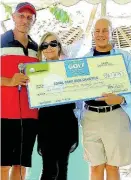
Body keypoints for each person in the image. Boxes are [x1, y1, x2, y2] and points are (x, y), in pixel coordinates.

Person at [76, 17, 131, 180]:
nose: (101, 34)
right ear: (93, 34)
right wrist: (79, 115)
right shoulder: (83, 59)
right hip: (90, 117)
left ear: (111, 33)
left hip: (116, 115)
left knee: (112, 167)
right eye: (97, 31)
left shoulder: (125, 57)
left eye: (105, 30)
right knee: (95, 167)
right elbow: (77, 90)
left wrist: (121, 99)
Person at [0, 2, 38, 180]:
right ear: (13, 17)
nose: (25, 20)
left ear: (33, 22)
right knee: (2, 167)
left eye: (29, 17)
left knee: (21, 168)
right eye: (21, 16)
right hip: (4, 114)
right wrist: (9, 81)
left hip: (30, 115)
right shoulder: (1, 42)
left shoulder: (37, 49)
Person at [37, 32, 79, 180]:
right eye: (45, 45)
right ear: (41, 49)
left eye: (53, 44)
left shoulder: (69, 67)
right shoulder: (35, 71)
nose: (49, 48)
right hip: (46, 122)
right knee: (49, 169)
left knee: (63, 169)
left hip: (66, 121)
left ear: (59, 47)